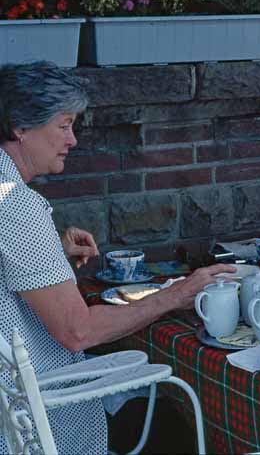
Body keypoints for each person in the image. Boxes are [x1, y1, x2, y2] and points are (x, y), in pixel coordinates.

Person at [0, 62, 235, 454]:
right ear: (20, 128)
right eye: (64, 125)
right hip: (39, 418)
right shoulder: (16, 206)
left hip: (17, 402)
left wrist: (52, 250)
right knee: (177, 418)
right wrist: (176, 295)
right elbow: (78, 332)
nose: (72, 140)